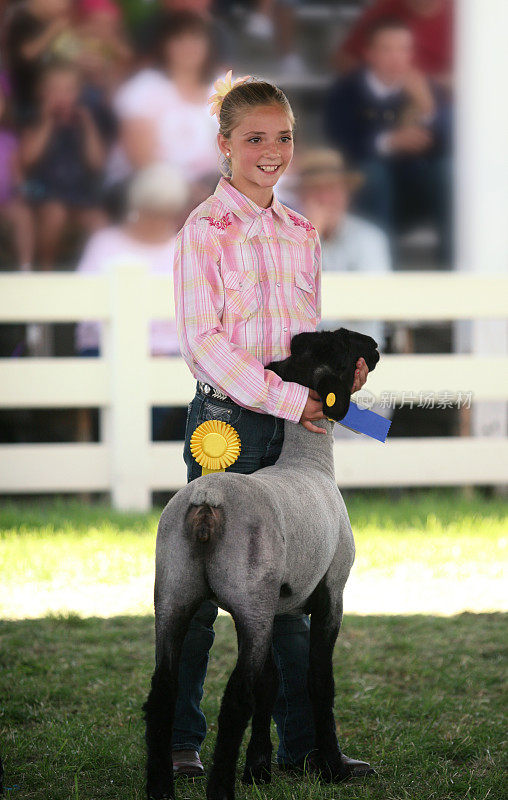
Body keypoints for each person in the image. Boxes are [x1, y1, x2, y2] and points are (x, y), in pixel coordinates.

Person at [171, 69, 373, 779]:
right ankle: (180, 741)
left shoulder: (300, 232)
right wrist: (293, 402)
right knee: (199, 587)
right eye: (254, 137)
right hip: (230, 427)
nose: (272, 150)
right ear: (224, 145)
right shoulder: (206, 231)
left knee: (293, 587)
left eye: (283, 136)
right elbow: (206, 341)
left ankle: (303, 745)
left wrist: (336, 379)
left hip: (290, 430)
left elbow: (301, 342)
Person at [75, 162, 190, 441]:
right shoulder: (105, 244)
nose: (156, 219)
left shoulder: (185, 249)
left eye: (165, 212)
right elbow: (84, 310)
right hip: (108, 348)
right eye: (150, 210)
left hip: (171, 353)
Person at [323, 16, 452, 264]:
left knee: (448, 171)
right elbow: (339, 141)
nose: (396, 57)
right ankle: (382, 266)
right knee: (374, 173)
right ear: (369, 54)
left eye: (403, 49)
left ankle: (453, 265)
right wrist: (389, 142)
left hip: (416, 188)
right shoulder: (347, 90)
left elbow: (449, 144)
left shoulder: (425, 88)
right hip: (369, 193)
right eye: (387, 49)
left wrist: (427, 108)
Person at [295, 147, 395, 440]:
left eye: (333, 189)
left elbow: (371, 304)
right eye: (318, 191)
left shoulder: (369, 239)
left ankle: (365, 475)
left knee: (367, 430)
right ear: (304, 197)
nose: (328, 198)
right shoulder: (291, 241)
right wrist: (311, 237)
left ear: (345, 193)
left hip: (360, 369)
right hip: (306, 371)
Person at [106, 10, 221, 209]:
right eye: (179, 40)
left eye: (195, 39)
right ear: (164, 46)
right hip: (148, 182)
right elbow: (140, 157)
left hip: (210, 183)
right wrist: (189, 189)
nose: (188, 47)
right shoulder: (143, 88)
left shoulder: (225, 88)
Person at [19, 60, 107, 269]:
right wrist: (47, 121)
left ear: (78, 94)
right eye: (54, 90)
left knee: (99, 222)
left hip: (79, 193)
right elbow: (27, 159)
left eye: (68, 90)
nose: (61, 95)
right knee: (55, 215)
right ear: (41, 92)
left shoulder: (84, 122)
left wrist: (88, 126)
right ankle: (46, 266)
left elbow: (97, 163)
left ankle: (94, 270)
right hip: (44, 192)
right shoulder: (35, 120)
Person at [333, 0, 454, 89]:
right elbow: (343, 60)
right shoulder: (384, 9)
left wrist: (426, 83)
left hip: (450, 104)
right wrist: (385, 77)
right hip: (387, 100)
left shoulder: (466, 13)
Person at [0, 77, 35, 270]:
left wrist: (21, 192)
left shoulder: (9, 138)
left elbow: (17, 173)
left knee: (23, 215)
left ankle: (25, 267)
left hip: (5, 201)